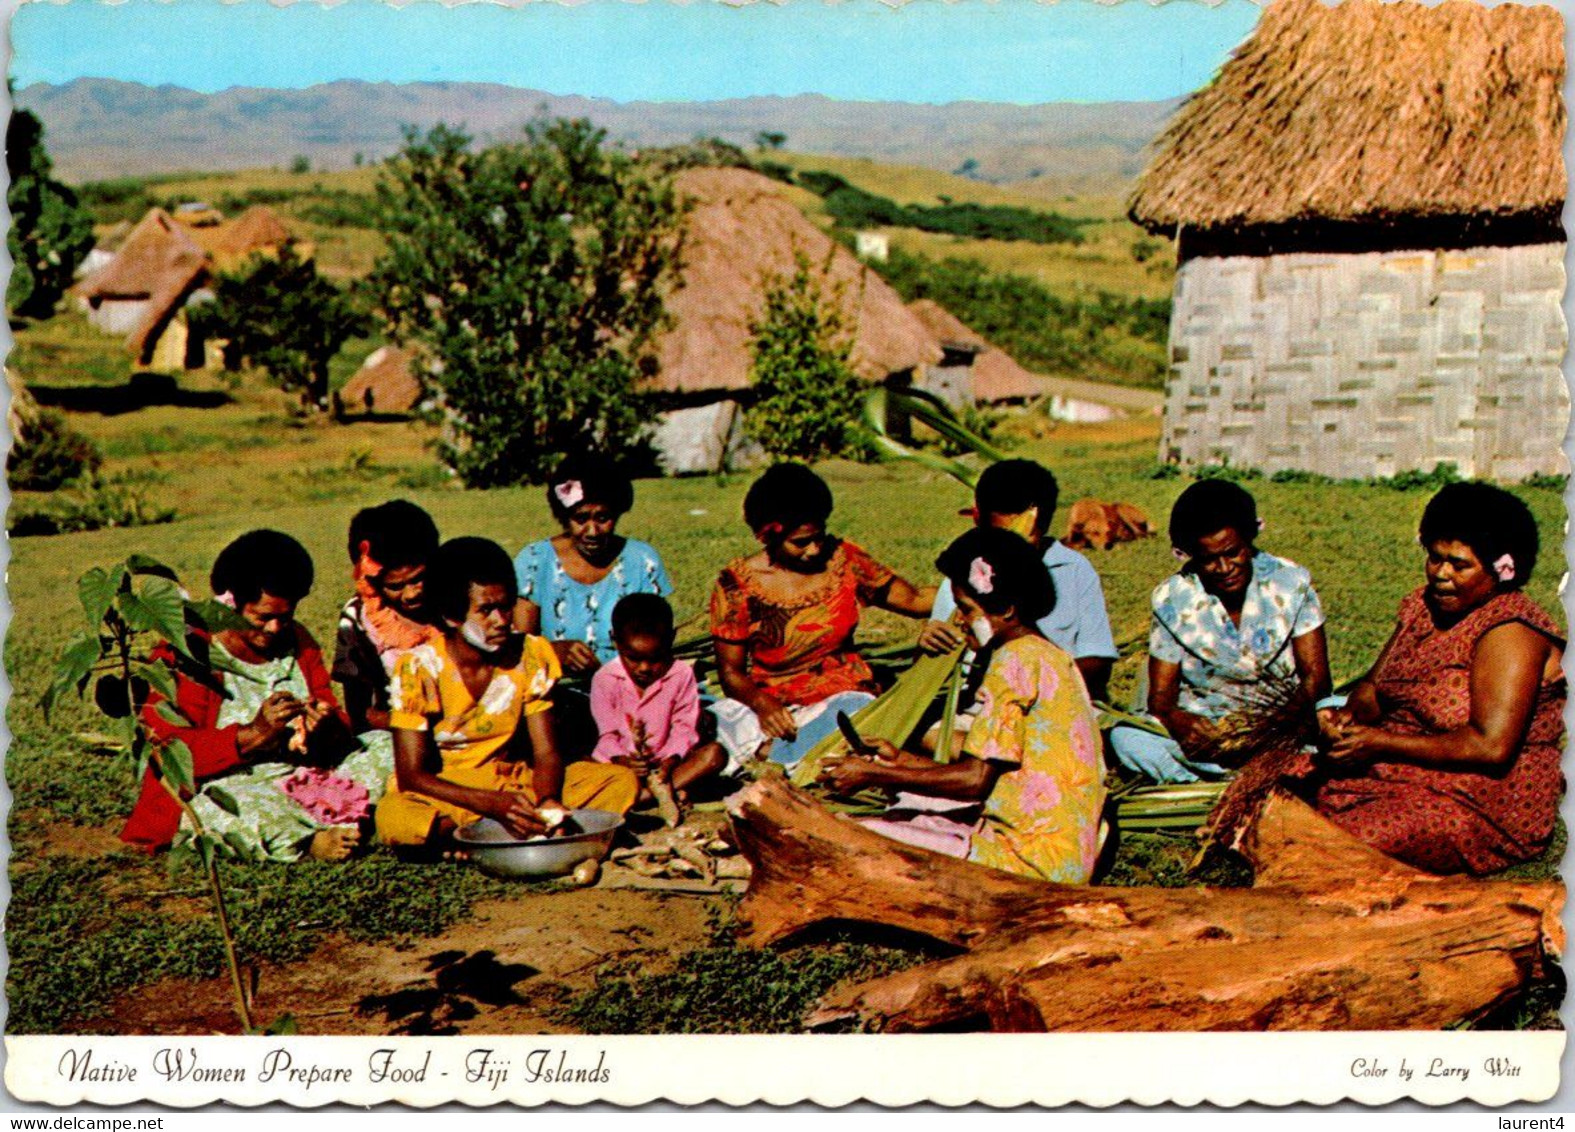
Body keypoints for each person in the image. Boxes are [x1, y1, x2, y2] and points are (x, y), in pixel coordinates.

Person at [818, 527, 1106, 884]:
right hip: (1065, 853)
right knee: (912, 807)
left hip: (1030, 864)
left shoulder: (1012, 662)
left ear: (1005, 609)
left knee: (856, 834)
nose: (959, 621)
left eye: (967, 610)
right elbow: (1003, 774)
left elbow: (975, 781)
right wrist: (901, 762)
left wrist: (874, 774)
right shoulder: (1048, 655)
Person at [1312, 482, 1564, 875]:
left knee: (1340, 839)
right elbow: (1373, 691)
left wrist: (1379, 742)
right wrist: (1345, 722)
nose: (1441, 574)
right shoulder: (1423, 607)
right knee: (1274, 789)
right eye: (1434, 558)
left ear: (1503, 570)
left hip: (1479, 800)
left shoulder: (1511, 630)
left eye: (1459, 565)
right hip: (1401, 769)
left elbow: (1490, 746)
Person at [121, 530, 393, 862]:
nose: (275, 629)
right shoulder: (189, 653)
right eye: (262, 618)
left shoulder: (297, 640)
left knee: (383, 744)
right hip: (235, 785)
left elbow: (334, 721)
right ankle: (309, 841)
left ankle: (339, 817)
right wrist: (254, 735)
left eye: (285, 616)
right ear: (230, 602)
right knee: (219, 808)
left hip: (304, 776)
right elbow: (170, 750)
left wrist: (324, 725)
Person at [377, 537, 638, 852]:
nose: (501, 621)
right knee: (395, 817)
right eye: (485, 610)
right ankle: (491, 830)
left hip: (515, 783)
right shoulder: (418, 668)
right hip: (452, 789)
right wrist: (488, 803)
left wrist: (548, 799)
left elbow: (545, 752)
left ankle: (492, 834)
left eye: (506, 606)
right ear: (451, 616)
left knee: (618, 781)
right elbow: (412, 776)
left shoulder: (530, 653)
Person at [709, 463, 936, 771]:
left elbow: (914, 599)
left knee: (860, 714)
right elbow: (730, 672)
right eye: (801, 542)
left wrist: (972, 585)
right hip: (773, 703)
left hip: (840, 694)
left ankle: (786, 757)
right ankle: (798, 755)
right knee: (712, 726)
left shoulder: (843, 560)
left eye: (819, 536)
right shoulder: (737, 585)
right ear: (768, 535)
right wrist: (763, 706)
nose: (815, 550)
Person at [1110, 480, 1331, 783]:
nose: (1225, 567)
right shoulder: (1173, 599)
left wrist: (1271, 728)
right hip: (1210, 733)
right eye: (1209, 560)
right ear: (1189, 555)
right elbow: (1161, 697)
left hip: (1285, 724)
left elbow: (1317, 680)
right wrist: (1180, 721)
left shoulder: (1292, 583)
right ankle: (1224, 783)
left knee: (1338, 715)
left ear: (1249, 538)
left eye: (1233, 552)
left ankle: (1251, 775)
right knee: (1128, 737)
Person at [919, 459, 1118, 702]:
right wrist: (929, 643)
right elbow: (939, 664)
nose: (1011, 550)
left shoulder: (1073, 569)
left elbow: (1096, 659)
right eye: (1002, 536)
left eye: (1025, 538)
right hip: (979, 703)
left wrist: (1036, 688)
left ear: (1043, 524)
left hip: (1056, 700)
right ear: (978, 519)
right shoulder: (967, 568)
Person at [512, 454, 672, 676]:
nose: (592, 531)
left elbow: (656, 645)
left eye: (603, 518)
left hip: (629, 685)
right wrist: (552, 651)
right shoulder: (535, 561)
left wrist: (607, 675)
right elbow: (517, 647)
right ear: (564, 517)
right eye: (581, 518)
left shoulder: (642, 561)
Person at [589, 594, 728, 801]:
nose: (644, 668)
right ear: (615, 641)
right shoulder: (605, 679)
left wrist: (670, 760)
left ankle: (644, 797)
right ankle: (657, 793)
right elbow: (606, 735)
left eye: (655, 658)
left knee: (715, 755)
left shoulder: (681, 674)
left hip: (667, 766)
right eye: (634, 658)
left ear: (671, 639)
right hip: (620, 766)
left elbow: (684, 729)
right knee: (585, 769)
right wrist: (623, 760)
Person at [332, 500, 441, 734]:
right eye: (396, 586)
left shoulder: (457, 600)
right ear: (373, 582)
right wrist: (417, 726)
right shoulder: (358, 619)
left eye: (418, 579)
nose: (411, 594)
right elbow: (360, 713)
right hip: (398, 730)